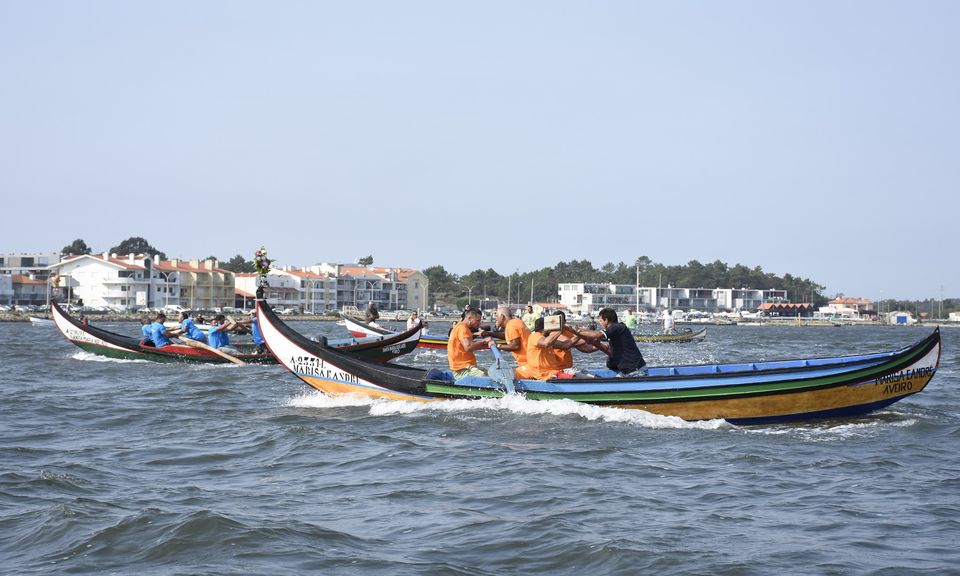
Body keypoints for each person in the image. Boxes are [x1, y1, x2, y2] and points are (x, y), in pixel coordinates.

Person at [579, 307, 646, 376]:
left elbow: (596, 335)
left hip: (636, 370)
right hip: (625, 370)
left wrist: (577, 331)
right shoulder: (613, 332)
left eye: (601, 321)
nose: (600, 323)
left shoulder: (617, 327)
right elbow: (595, 340)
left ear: (606, 320)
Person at [447, 308, 494, 380]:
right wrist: (484, 341)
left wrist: (477, 334)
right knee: (485, 378)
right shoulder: (462, 328)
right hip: (462, 369)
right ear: (469, 318)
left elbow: (465, 339)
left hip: (466, 367)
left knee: (491, 374)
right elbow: (468, 347)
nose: (479, 324)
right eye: (477, 321)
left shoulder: (460, 326)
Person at [490, 305, 531, 377]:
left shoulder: (511, 326)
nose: (495, 318)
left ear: (502, 317)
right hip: (529, 361)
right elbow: (509, 339)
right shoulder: (516, 322)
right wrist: (490, 335)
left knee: (508, 377)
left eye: (496, 316)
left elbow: (515, 346)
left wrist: (498, 346)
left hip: (528, 363)